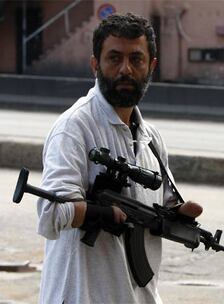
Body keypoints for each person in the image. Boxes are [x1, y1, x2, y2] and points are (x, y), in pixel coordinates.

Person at [37, 13, 202, 304]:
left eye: (136, 59)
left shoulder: (151, 138)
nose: (125, 69)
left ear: (151, 66)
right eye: (114, 58)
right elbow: (51, 214)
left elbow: (164, 205)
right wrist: (99, 214)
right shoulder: (75, 128)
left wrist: (179, 218)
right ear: (95, 65)